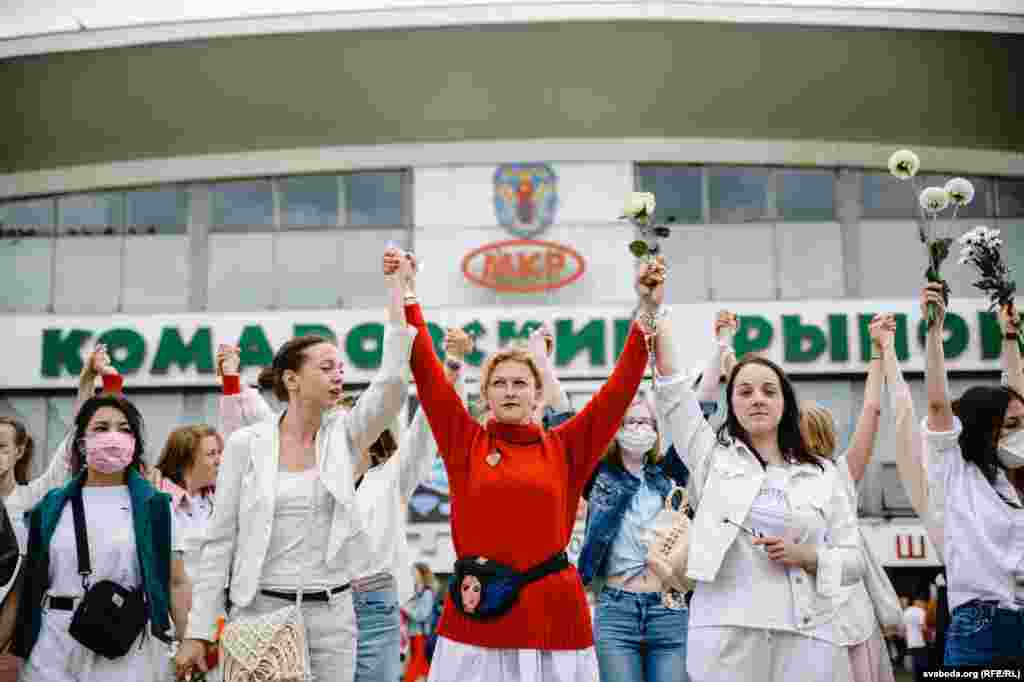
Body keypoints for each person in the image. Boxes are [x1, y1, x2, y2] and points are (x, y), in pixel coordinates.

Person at [400, 250, 662, 682]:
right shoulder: (464, 441)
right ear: (485, 393)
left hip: (554, 617)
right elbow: (425, 371)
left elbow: (621, 386)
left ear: (538, 394)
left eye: (520, 383)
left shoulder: (567, 446)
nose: (509, 391)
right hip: (477, 614)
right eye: (498, 383)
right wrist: (407, 291)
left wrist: (648, 308)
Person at [175, 254, 416, 682]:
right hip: (260, 612)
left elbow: (393, 385)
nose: (338, 376)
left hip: (334, 617)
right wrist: (197, 633)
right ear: (291, 380)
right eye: (326, 368)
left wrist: (398, 289)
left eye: (341, 368)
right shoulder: (246, 445)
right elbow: (219, 543)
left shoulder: (346, 435)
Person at [215, 321, 472, 682]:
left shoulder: (392, 476)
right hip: (302, 601)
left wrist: (453, 367)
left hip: (371, 605)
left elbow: (427, 426)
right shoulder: (302, 467)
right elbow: (257, 422)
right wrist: (232, 383)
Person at [652, 309, 864, 682]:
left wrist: (808, 556)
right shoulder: (710, 456)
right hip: (724, 633)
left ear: (785, 403)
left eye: (769, 391)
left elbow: (854, 561)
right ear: (731, 403)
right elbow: (673, 393)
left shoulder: (822, 472)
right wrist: (653, 310)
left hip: (810, 635)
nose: (757, 400)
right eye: (744, 392)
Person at [577, 311, 736, 682]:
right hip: (615, 611)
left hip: (669, 606)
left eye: (646, 422)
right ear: (615, 430)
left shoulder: (669, 475)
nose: (639, 428)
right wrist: (540, 359)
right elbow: (561, 417)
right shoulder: (598, 477)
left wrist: (721, 346)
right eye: (630, 422)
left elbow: (698, 408)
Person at [13, 394, 191, 682]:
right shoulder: (50, 506)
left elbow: (176, 581)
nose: (114, 436)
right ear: (81, 444)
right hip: (54, 645)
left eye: (124, 429)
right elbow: (25, 583)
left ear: (134, 444)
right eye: (101, 427)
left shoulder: (155, 506)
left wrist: (189, 642)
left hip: (128, 647)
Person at [919, 283, 1024, 667]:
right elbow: (936, 401)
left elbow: (1015, 390)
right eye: (1011, 425)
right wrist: (934, 329)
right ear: (984, 427)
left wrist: (1010, 336)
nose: (1020, 433)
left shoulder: (1011, 483)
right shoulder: (956, 470)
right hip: (980, 627)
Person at [798, 314, 897, 682]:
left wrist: (876, 353)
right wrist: (875, 352)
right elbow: (871, 411)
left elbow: (872, 411)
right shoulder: (840, 473)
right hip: (844, 611)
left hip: (823, 615)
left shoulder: (833, 473)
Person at [152, 425, 222, 581]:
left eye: (219, 453)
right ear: (187, 460)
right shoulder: (160, 499)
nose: (219, 460)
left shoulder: (218, 498)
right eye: (211, 454)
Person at [404, 563, 438, 682]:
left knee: (415, 665)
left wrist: (405, 607)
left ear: (422, 575)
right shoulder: (417, 592)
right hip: (413, 634)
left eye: (414, 573)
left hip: (421, 634)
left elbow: (421, 615)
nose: (412, 575)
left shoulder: (427, 593)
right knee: (423, 667)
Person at [901, 594, 928, 676]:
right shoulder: (921, 611)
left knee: (915, 664)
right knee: (922, 664)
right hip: (920, 642)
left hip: (910, 642)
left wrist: (907, 640)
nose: (924, 605)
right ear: (919, 602)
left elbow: (904, 630)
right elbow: (923, 627)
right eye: (923, 603)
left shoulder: (906, 612)